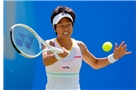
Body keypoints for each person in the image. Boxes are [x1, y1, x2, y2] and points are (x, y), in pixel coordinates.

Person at [42, 6, 132, 90]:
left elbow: (95, 63)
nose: (65, 29)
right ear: (55, 28)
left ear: (72, 26)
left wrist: (114, 57)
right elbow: (46, 61)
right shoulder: (49, 44)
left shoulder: (80, 46)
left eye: (68, 24)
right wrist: (58, 56)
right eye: (61, 25)